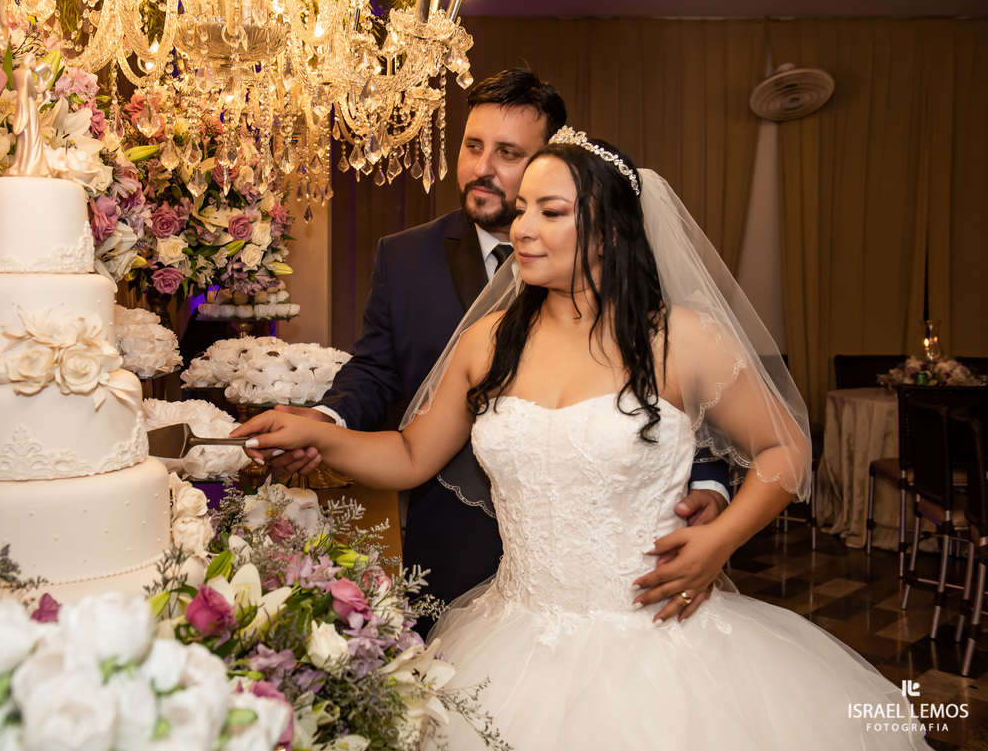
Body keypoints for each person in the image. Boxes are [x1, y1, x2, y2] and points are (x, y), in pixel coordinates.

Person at [234, 131, 925, 749]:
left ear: (611, 229)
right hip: (509, 636)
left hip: (658, 643)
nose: (522, 226)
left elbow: (788, 447)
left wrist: (721, 539)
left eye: (550, 211)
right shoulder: (489, 340)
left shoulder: (681, 338)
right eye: (523, 207)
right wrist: (315, 434)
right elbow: (412, 454)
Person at [270, 70, 729, 628]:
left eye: (509, 153)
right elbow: (394, 411)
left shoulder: (673, 328)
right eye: (473, 146)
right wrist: (322, 427)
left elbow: (696, 416)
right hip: (472, 574)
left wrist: (714, 505)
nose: (484, 168)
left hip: (640, 593)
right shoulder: (439, 291)